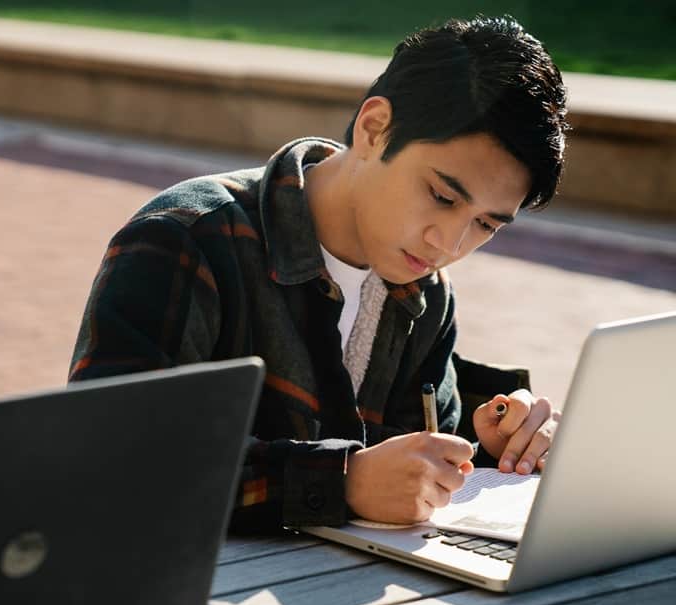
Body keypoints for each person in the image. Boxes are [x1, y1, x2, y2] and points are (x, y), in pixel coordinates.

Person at [69, 17, 566, 531]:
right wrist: (342, 482)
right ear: (374, 129)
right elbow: (112, 457)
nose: (449, 245)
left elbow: (413, 468)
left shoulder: (427, 294)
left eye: (486, 224)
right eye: (441, 196)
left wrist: (495, 444)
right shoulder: (186, 238)